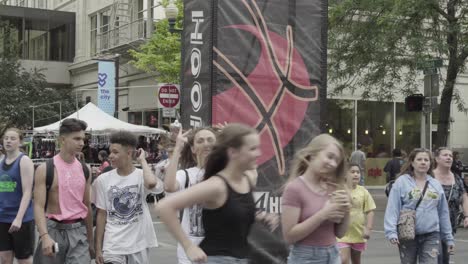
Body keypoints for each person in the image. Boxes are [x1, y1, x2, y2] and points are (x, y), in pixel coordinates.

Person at [157, 123, 278, 263]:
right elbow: (164, 206)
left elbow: (232, 210)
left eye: (210, 140)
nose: (258, 153)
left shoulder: (245, 180)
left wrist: (261, 216)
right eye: (252, 149)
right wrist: (188, 246)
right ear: (233, 152)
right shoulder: (216, 185)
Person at [281, 134, 351, 264]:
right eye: (330, 157)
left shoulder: (333, 188)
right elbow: (289, 236)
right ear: (312, 154)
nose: (333, 164)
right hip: (306, 257)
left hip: (333, 254)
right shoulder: (294, 189)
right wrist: (323, 214)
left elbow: (340, 233)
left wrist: (347, 210)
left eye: (337, 161)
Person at [93, 131, 161, 264]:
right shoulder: (103, 180)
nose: (110, 156)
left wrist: (142, 160)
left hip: (139, 244)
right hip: (113, 245)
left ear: (129, 153)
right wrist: (98, 249)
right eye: (110, 152)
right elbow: (101, 215)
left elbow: (152, 184)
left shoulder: (142, 176)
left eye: (115, 152)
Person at [33, 118, 94, 264]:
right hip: (53, 234)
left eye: (83, 139)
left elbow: (87, 206)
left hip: (79, 234)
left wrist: (91, 241)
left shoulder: (85, 169)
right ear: (62, 139)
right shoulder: (45, 169)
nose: (81, 143)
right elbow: (38, 206)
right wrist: (45, 236)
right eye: (77, 138)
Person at [384, 148, 454, 264]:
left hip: (431, 234)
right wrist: (391, 231)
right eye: (419, 159)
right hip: (408, 234)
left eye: (426, 160)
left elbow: (443, 212)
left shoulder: (435, 184)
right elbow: (393, 208)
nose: (423, 162)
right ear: (412, 162)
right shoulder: (402, 182)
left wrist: (448, 238)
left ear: (430, 163)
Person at [163, 127, 217, 264]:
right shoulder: (186, 175)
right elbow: (169, 186)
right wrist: (178, 149)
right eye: (200, 141)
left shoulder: (225, 174)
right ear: (193, 149)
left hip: (219, 251)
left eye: (210, 140)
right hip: (190, 252)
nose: (206, 143)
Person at [0, 128, 35, 264]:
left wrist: (18, 218)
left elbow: (27, 192)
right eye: (6, 138)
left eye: (13, 138)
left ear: (20, 142)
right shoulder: (1, 162)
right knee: (4, 258)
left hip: (21, 219)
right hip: (3, 217)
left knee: (24, 260)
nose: (8, 141)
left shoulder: (24, 161)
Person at [433, 147, 468, 264]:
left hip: (450, 225)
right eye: (445, 155)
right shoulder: (430, 177)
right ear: (437, 159)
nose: (449, 157)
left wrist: (466, 215)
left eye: (450, 156)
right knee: (436, 256)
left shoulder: (456, 178)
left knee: (445, 258)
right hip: (432, 224)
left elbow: (464, 197)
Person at [337, 163, 375, 264]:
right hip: (341, 235)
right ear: (345, 174)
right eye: (352, 172)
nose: (356, 174)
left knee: (356, 261)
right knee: (343, 260)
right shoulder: (340, 190)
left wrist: (368, 228)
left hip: (358, 234)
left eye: (358, 172)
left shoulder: (363, 191)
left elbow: (370, 211)